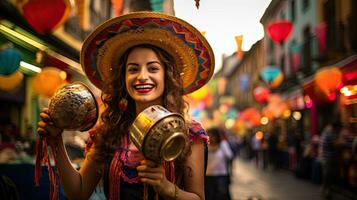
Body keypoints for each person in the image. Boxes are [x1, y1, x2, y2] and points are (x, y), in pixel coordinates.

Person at [37, 11, 215, 200]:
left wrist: (167, 187)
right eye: (133, 69)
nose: (142, 76)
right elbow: (78, 193)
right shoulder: (108, 132)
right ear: (124, 79)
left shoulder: (189, 133)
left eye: (153, 68)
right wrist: (55, 141)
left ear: (167, 76)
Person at [205, 127, 233, 200]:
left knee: (221, 196)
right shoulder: (205, 146)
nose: (210, 137)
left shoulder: (223, 144)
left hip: (221, 175)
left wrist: (223, 149)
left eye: (212, 135)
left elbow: (230, 156)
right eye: (209, 135)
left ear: (217, 136)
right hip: (208, 175)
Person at [319, 120, 343, 199]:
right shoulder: (330, 132)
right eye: (339, 129)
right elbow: (334, 144)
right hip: (327, 157)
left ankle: (327, 191)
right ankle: (326, 191)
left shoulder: (329, 130)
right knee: (328, 174)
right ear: (336, 127)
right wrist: (341, 142)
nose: (340, 130)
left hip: (327, 156)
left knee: (329, 174)